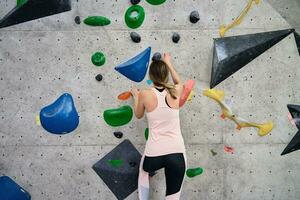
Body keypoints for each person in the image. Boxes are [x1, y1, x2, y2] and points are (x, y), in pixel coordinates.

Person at [131, 53, 186, 200]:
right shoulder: (175, 91)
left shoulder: (145, 94)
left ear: (150, 76)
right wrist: (168, 62)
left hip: (154, 156)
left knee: (144, 171)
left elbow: (138, 114)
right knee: (173, 197)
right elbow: (178, 81)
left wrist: (136, 96)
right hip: (177, 154)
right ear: (166, 75)